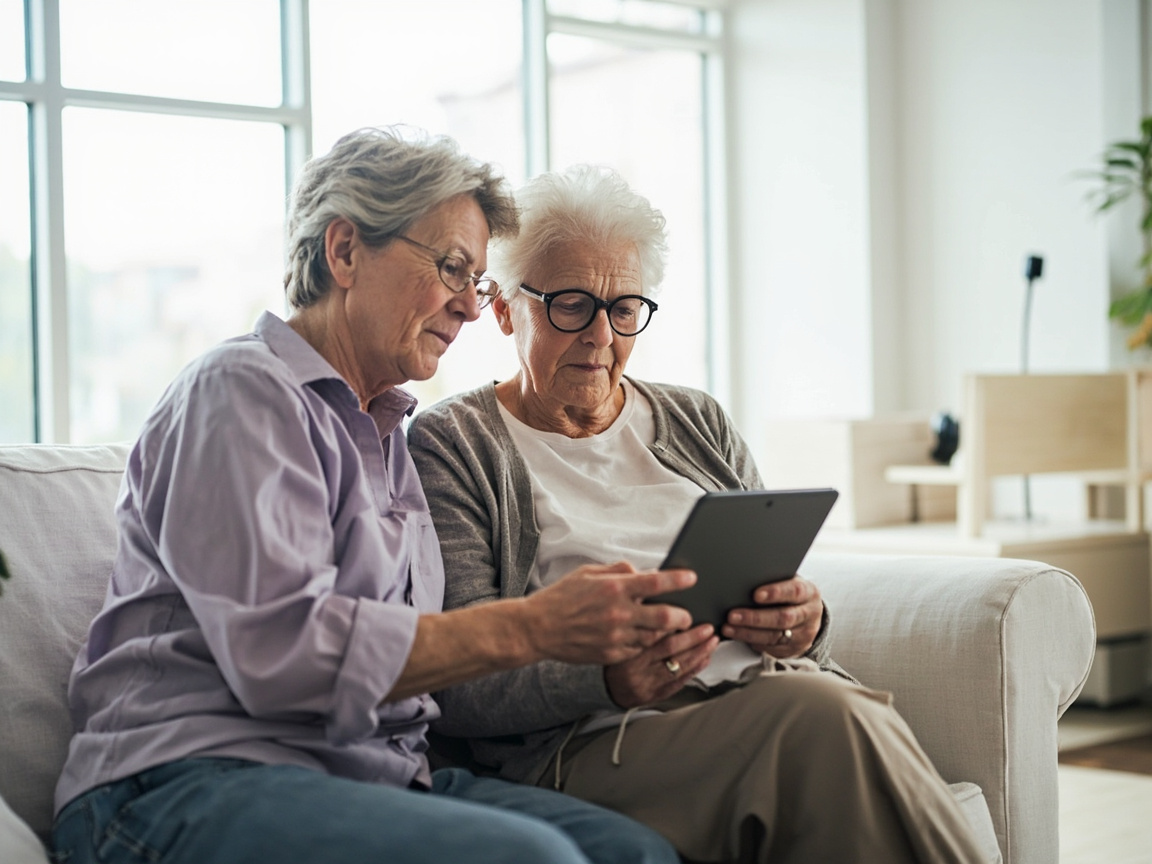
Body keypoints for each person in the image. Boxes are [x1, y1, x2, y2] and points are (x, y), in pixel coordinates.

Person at [50, 128, 692, 864]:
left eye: (479, 283)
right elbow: (285, 655)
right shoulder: (242, 392)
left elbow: (420, 673)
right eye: (453, 269)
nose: (471, 308)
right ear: (346, 250)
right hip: (184, 780)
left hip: (377, 777)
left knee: (637, 854)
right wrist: (537, 625)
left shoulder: (388, 435)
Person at [407, 165, 989, 864]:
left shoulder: (695, 417)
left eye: (624, 308)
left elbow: (794, 598)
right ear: (504, 309)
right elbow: (464, 681)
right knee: (828, 720)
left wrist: (803, 623)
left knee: (835, 713)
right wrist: (607, 679)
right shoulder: (453, 443)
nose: (600, 335)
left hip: (769, 695)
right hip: (599, 740)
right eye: (570, 305)